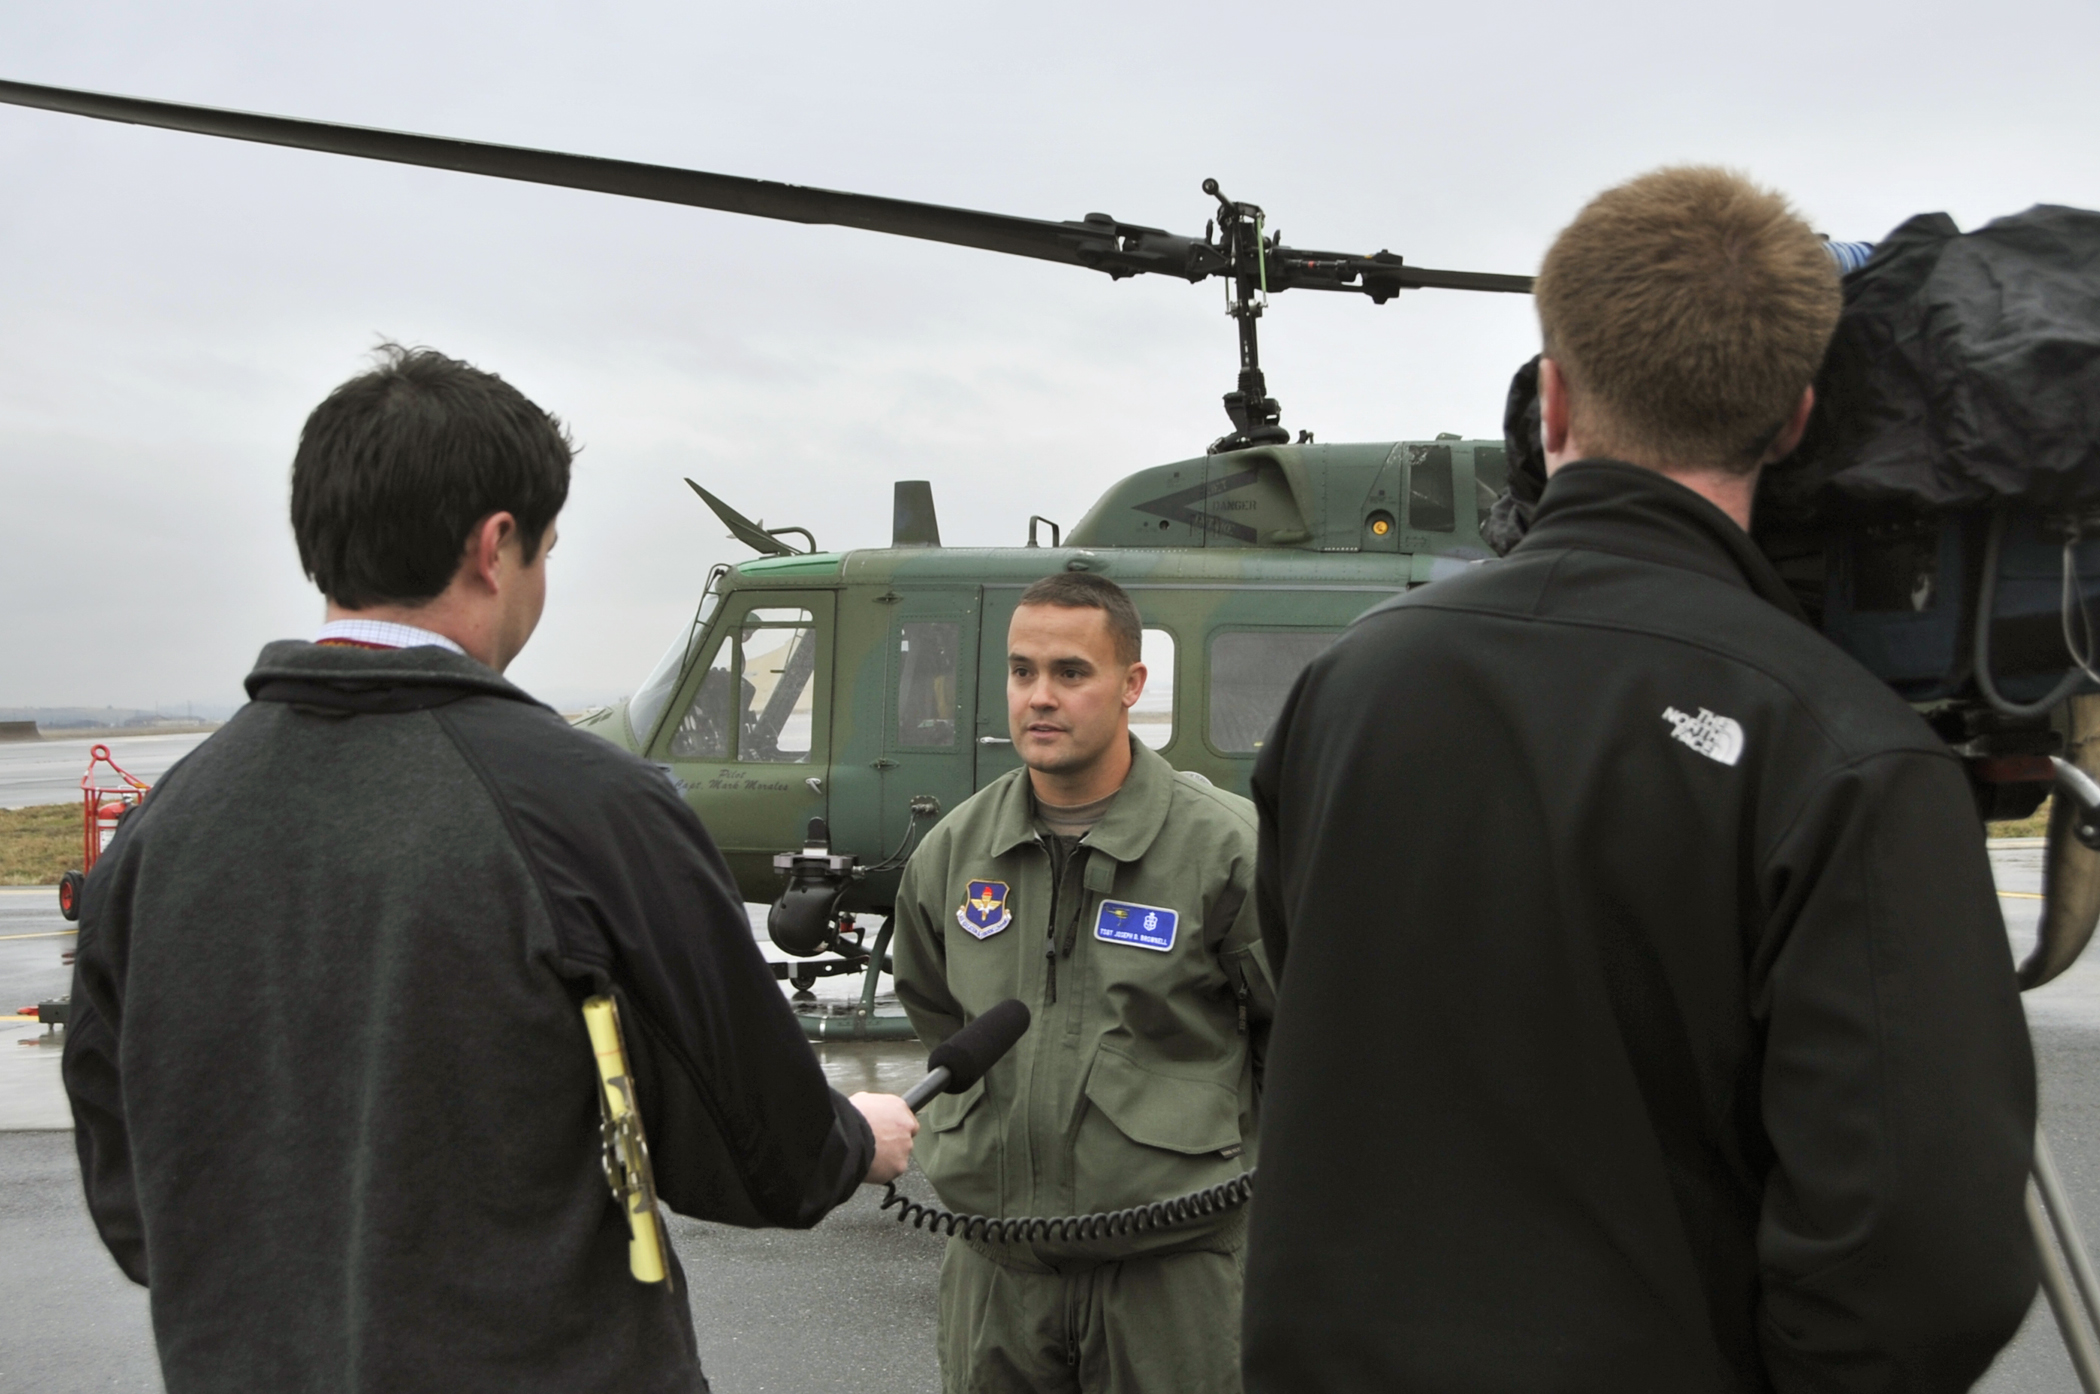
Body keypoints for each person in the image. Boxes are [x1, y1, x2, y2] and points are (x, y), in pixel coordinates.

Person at [1243, 168, 2038, 1391]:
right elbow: (1928, 1257)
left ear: (1553, 398)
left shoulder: (1346, 687)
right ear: (1792, 420)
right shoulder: (1845, 751)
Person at [62, 345, 917, 1394]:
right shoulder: (594, 807)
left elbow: (131, 1193)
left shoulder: (162, 832)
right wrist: (852, 1138)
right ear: (495, 544)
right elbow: (763, 1150)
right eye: (546, 550)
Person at [891, 571, 1273, 1394]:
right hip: (997, 1275)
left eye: (1071, 673)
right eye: (1022, 671)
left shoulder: (1224, 850)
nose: (1040, 697)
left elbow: (1302, 1036)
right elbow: (935, 1012)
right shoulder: (955, 855)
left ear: (1132, 684)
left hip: (1170, 1275)